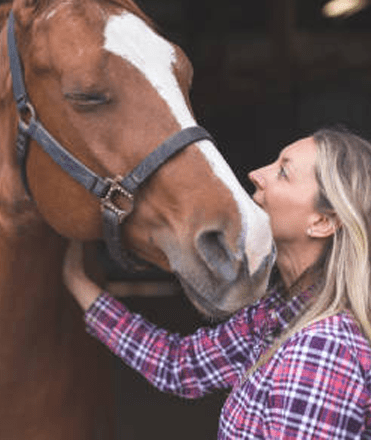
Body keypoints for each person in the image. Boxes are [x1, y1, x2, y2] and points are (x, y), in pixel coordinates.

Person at [63, 127, 371, 439]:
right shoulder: (276, 313)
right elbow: (180, 365)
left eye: (283, 172)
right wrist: (78, 281)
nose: (255, 174)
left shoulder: (321, 350)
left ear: (322, 222)